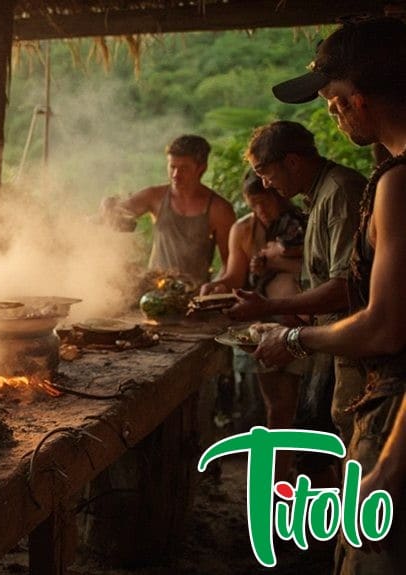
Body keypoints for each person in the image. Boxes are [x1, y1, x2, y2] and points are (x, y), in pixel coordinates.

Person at [255, 17, 406, 573]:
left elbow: (387, 326)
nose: (331, 115)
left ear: (359, 100)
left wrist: (292, 336)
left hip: (393, 417)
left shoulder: (397, 184)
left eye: (332, 102)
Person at [227, 121, 367, 446]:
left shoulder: (340, 193)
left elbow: (345, 287)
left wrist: (270, 307)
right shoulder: (318, 196)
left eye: (265, 172)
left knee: (342, 440)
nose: (264, 183)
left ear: (292, 161)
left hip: (349, 340)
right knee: (313, 437)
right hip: (327, 337)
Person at [201, 172, 308, 479]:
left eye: (264, 202)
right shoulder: (244, 229)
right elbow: (234, 277)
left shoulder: (301, 224)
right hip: (263, 324)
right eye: (253, 204)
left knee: (297, 407)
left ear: (278, 195)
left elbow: (315, 270)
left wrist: (276, 262)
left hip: (304, 319)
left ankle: (291, 473)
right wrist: (216, 286)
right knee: (277, 405)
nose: (260, 211)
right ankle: (278, 477)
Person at [101, 134, 236, 286]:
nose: (176, 175)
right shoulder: (154, 196)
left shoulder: (219, 209)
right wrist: (107, 206)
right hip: (153, 293)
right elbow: (116, 213)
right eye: (172, 167)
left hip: (194, 296)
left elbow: (231, 264)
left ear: (201, 168)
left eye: (184, 168)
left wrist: (213, 287)